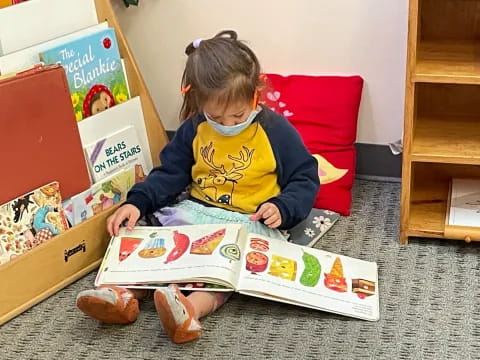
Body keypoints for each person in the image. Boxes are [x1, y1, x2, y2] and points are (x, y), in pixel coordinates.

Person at [76, 30, 319, 344]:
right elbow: (170, 174)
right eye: (216, 116)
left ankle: (189, 310)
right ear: (197, 101)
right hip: (196, 212)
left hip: (248, 222)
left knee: (224, 269)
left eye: (238, 115)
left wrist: (282, 207)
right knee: (155, 242)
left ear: (256, 94)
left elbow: (305, 176)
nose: (228, 125)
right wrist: (137, 202)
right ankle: (124, 295)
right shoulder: (195, 127)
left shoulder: (274, 130)